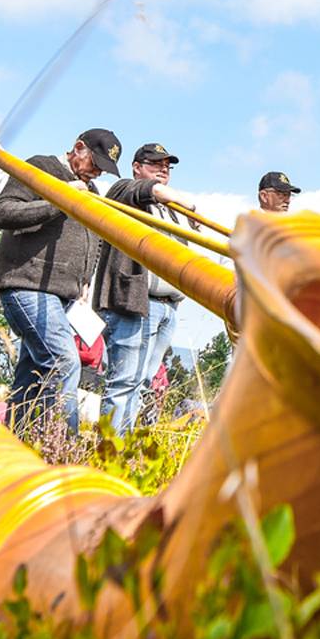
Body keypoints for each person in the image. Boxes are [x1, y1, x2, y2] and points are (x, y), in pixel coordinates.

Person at [0, 128, 122, 437]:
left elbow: (98, 239)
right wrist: (60, 200)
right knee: (63, 361)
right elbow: (2, 212)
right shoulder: (41, 167)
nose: (98, 172)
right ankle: (64, 450)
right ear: (78, 148)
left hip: (65, 296)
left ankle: (15, 446)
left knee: (31, 374)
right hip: (28, 284)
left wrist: (86, 278)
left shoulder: (92, 192)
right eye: (95, 162)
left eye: (104, 168)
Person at [96, 143, 198, 435]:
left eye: (167, 165)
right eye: (154, 163)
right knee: (124, 380)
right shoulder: (126, 190)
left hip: (168, 306)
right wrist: (187, 204)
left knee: (142, 382)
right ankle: (109, 451)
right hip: (135, 301)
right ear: (137, 167)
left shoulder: (172, 211)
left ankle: (124, 448)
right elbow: (149, 191)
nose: (163, 168)